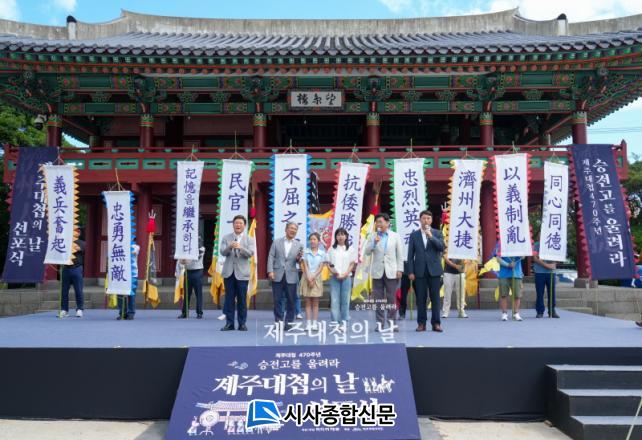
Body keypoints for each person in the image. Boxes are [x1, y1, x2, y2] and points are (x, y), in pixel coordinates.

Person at [407, 210, 445, 332]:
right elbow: (410, 256)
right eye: (424, 218)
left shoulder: (437, 233)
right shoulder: (414, 235)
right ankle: (421, 323)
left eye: (428, 218)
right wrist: (410, 272)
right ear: (420, 220)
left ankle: (436, 323)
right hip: (419, 271)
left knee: (435, 299)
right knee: (421, 299)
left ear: (431, 220)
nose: (426, 220)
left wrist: (431, 237)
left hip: (434, 271)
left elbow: (441, 247)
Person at [364, 213, 404, 331]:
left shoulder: (395, 236)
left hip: (392, 271)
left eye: (381, 222)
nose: (378, 224)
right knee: (378, 300)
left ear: (387, 223)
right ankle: (380, 323)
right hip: (377, 271)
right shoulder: (373, 236)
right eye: (377, 222)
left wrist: (400, 269)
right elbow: (367, 252)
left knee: (391, 299)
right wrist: (374, 243)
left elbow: (400, 254)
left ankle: (392, 323)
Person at [220, 215, 255, 331]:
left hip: (242, 274)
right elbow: (222, 252)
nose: (238, 225)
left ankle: (242, 324)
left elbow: (250, 254)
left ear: (244, 225)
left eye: (240, 223)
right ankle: (229, 324)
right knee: (229, 299)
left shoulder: (249, 239)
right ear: (233, 225)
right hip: (229, 273)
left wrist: (240, 247)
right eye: (236, 223)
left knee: (242, 300)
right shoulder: (226, 237)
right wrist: (230, 247)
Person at [267, 222, 303, 330]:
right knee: (277, 300)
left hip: (291, 275)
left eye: (295, 229)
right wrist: (270, 271)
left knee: (291, 300)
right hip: (277, 274)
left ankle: (289, 323)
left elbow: (299, 261)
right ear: (286, 229)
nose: (293, 230)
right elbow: (271, 257)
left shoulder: (299, 245)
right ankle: (278, 321)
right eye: (291, 228)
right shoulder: (276, 242)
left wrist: (299, 259)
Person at [326, 228, 357, 324]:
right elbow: (328, 263)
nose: (340, 237)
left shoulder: (350, 249)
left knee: (345, 300)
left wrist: (345, 274)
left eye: (342, 234)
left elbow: (352, 264)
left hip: (346, 277)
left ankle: (344, 320)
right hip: (334, 277)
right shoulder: (331, 249)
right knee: (334, 300)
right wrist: (333, 272)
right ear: (335, 237)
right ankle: (335, 321)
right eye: (338, 235)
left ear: (346, 236)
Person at [300, 232, 326, 330]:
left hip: (317, 277)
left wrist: (313, 277)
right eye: (311, 239)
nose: (312, 241)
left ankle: (314, 323)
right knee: (307, 302)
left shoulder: (322, 253)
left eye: (314, 239)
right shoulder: (305, 252)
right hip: (306, 276)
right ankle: (308, 323)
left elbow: (321, 267)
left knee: (315, 302)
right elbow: (305, 265)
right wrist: (309, 277)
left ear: (318, 241)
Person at [59, 231, 85, 318]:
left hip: (76, 268)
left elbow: (77, 248)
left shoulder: (81, 242)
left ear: (79, 233)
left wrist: (66, 244)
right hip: (66, 268)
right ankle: (64, 310)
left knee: (78, 290)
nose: (74, 232)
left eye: (76, 231)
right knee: (64, 291)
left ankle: (79, 309)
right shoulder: (65, 241)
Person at [178, 240, 206, 319]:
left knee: (198, 293)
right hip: (188, 271)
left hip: (197, 271)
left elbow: (195, 257)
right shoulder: (186, 248)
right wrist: (181, 260)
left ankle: (199, 312)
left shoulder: (201, 248)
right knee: (186, 293)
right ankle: (184, 312)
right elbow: (181, 260)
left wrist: (185, 260)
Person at [532, 242, 559, 319]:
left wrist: (554, 263)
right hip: (539, 272)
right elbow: (535, 258)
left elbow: (559, 256)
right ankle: (540, 311)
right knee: (540, 293)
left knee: (552, 292)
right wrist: (547, 266)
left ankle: (552, 310)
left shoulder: (554, 242)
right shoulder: (536, 245)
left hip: (551, 273)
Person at [117, 243, 140, 320]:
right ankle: (122, 313)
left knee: (131, 295)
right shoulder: (119, 245)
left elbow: (133, 253)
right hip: (121, 273)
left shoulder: (135, 247)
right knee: (120, 294)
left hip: (132, 274)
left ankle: (131, 313)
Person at [498, 255, 524, 321]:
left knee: (517, 295)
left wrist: (522, 256)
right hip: (504, 274)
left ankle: (516, 313)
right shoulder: (501, 247)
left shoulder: (520, 247)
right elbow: (498, 258)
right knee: (503, 294)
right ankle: (504, 313)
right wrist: (508, 265)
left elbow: (523, 256)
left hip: (517, 273)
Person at [442, 252, 468, 318]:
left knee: (461, 293)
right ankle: (446, 311)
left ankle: (461, 311)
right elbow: (445, 258)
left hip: (460, 273)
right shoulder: (447, 246)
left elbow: (467, 256)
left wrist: (464, 262)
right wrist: (456, 266)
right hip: (448, 272)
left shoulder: (463, 246)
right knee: (447, 293)